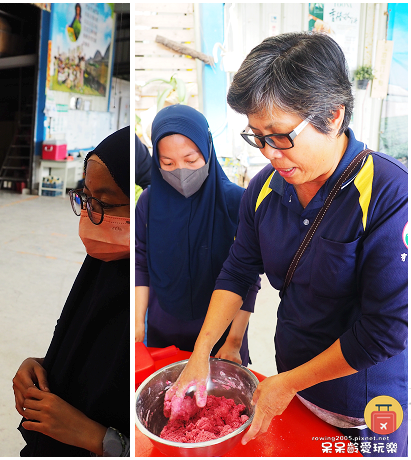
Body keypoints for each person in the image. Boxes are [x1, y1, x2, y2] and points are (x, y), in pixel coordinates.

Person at [167, 32, 408, 456]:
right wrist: (202, 353)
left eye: (279, 135)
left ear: (333, 115)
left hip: (365, 407)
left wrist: (289, 383)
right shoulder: (264, 188)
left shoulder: (390, 193)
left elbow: (385, 329)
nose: (269, 153)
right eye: (256, 136)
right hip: (291, 386)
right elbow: (239, 271)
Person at [13, 127, 130, 456]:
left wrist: (99, 438)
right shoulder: (101, 265)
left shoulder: (149, 287)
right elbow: (89, 352)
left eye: (106, 202)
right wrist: (44, 366)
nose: (92, 215)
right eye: (87, 198)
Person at [135, 104, 260, 366]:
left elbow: (248, 277)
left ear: (207, 149)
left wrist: (234, 341)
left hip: (223, 332)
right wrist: (137, 328)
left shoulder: (236, 201)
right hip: (162, 328)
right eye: (168, 163)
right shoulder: (148, 202)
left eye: (191, 161)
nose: (181, 172)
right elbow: (140, 265)